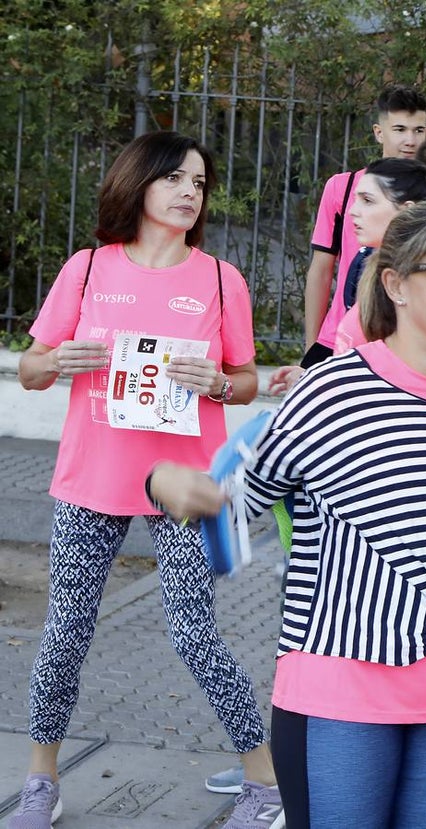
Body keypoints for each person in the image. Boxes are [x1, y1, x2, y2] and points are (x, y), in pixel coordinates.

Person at [146, 199, 426, 828]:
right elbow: (236, 502)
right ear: (396, 285)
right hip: (343, 682)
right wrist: (165, 484)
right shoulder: (334, 389)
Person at [10, 131, 281, 829]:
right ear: (139, 183)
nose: (190, 192)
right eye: (175, 179)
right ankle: (41, 780)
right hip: (93, 476)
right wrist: (59, 360)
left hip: (184, 485)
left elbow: (246, 381)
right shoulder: (87, 269)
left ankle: (264, 781)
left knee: (194, 634)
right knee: (65, 633)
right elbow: (31, 367)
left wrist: (217, 381)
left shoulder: (220, 279)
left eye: (199, 183)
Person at [302, 84, 426, 368]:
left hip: (400, 345)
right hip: (337, 339)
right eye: (400, 129)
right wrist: (313, 345)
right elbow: (321, 270)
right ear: (379, 132)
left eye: (418, 130)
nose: (410, 140)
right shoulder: (343, 187)